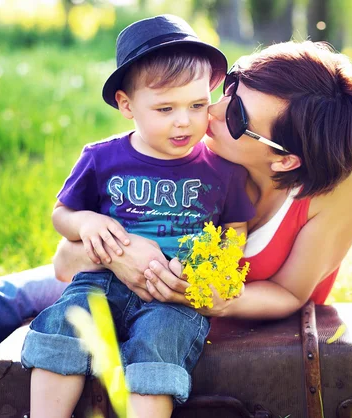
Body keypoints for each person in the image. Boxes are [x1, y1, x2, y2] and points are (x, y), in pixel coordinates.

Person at [0, 33, 352, 409]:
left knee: (1, 356)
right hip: (106, 276)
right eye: (230, 86)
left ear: (286, 160)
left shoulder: (337, 185)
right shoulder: (187, 143)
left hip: (182, 325)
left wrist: (220, 300)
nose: (206, 111)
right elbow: (65, 261)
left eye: (235, 114)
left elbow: (290, 291)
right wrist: (123, 255)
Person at [19, 14, 255, 418]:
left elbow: (234, 228)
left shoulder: (222, 171)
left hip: (173, 297)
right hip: (101, 280)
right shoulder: (102, 158)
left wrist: (215, 270)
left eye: (197, 105)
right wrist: (86, 223)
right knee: (64, 324)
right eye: (165, 108)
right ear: (127, 105)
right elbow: (62, 214)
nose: (184, 120)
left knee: (159, 344)